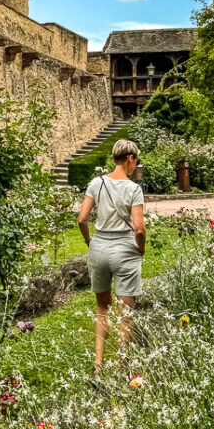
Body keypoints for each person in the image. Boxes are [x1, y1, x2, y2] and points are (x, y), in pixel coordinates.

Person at [78, 139, 146, 377]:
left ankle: (97, 366)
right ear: (130, 158)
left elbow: (82, 219)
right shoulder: (133, 189)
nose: (136, 165)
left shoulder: (96, 183)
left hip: (99, 249)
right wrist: (141, 248)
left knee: (102, 308)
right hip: (125, 251)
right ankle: (121, 366)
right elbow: (139, 229)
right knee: (125, 314)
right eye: (136, 160)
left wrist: (90, 242)